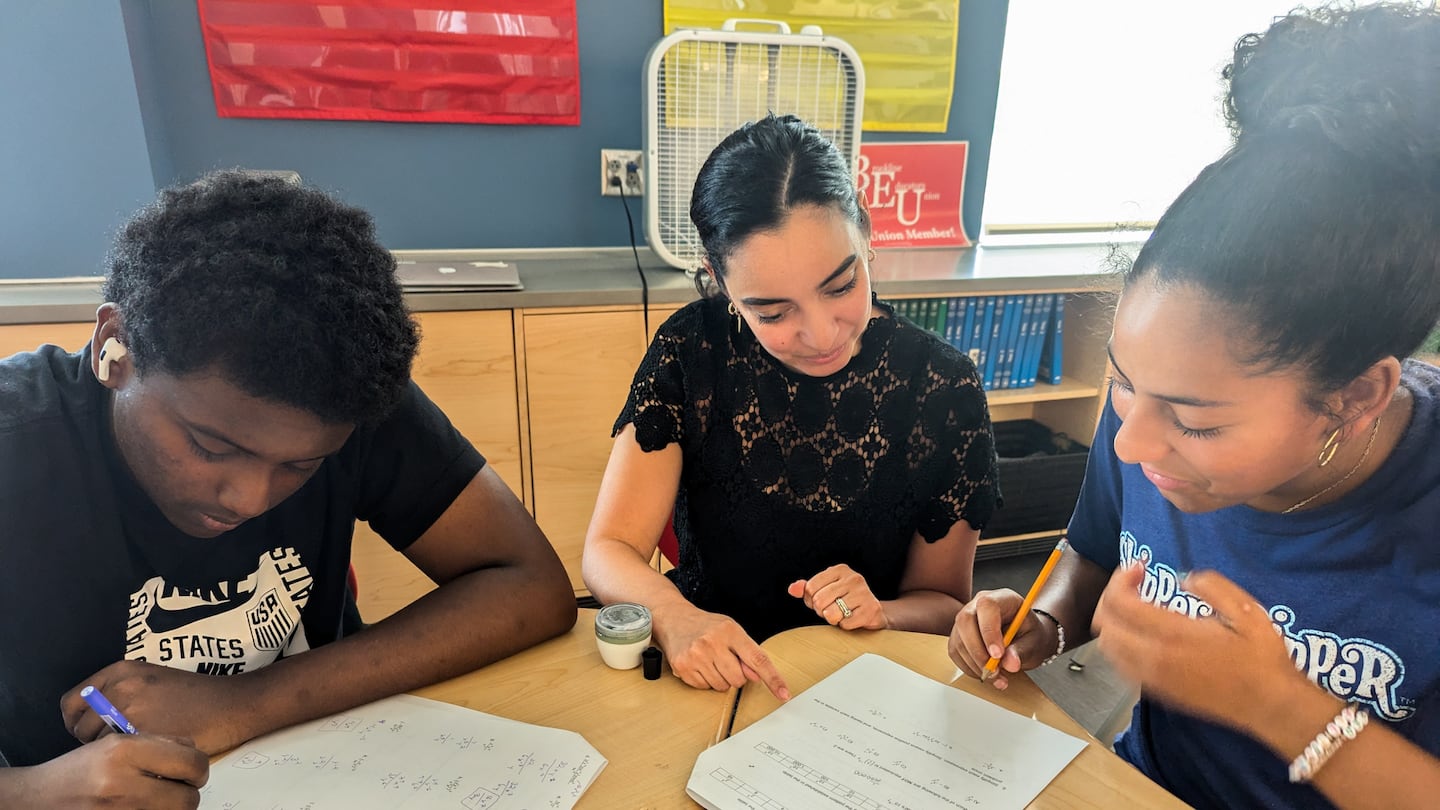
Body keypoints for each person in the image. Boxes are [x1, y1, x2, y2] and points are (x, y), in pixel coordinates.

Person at [948, 4, 1440, 808]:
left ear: (1356, 397)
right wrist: (1043, 624)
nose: (1133, 442)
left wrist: (1276, 703)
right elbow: (1090, 556)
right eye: (1123, 380)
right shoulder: (1144, 422)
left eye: (1197, 421)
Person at [0, 172, 577, 808]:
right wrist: (30, 793)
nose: (248, 500)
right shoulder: (18, 444)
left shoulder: (340, 389)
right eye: (212, 447)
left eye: (302, 466)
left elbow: (531, 586)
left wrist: (241, 703)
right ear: (115, 346)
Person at [582, 114, 999, 700]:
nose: (823, 334)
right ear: (720, 283)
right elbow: (609, 549)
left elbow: (945, 602)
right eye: (774, 313)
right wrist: (675, 618)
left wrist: (882, 612)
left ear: (867, 234)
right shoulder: (692, 351)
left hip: (864, 687)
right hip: (709, 674)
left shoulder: (942, 385)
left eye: (840, 287)